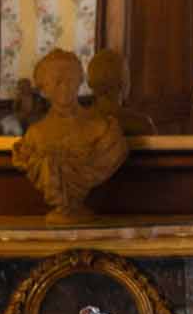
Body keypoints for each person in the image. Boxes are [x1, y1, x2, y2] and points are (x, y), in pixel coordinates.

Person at [11, 47, 127, 221]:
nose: (65, 87)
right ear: (44, 88)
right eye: (57, 81)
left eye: (71, 80)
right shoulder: (35, 136)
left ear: (80, 81)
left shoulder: (103, 129)